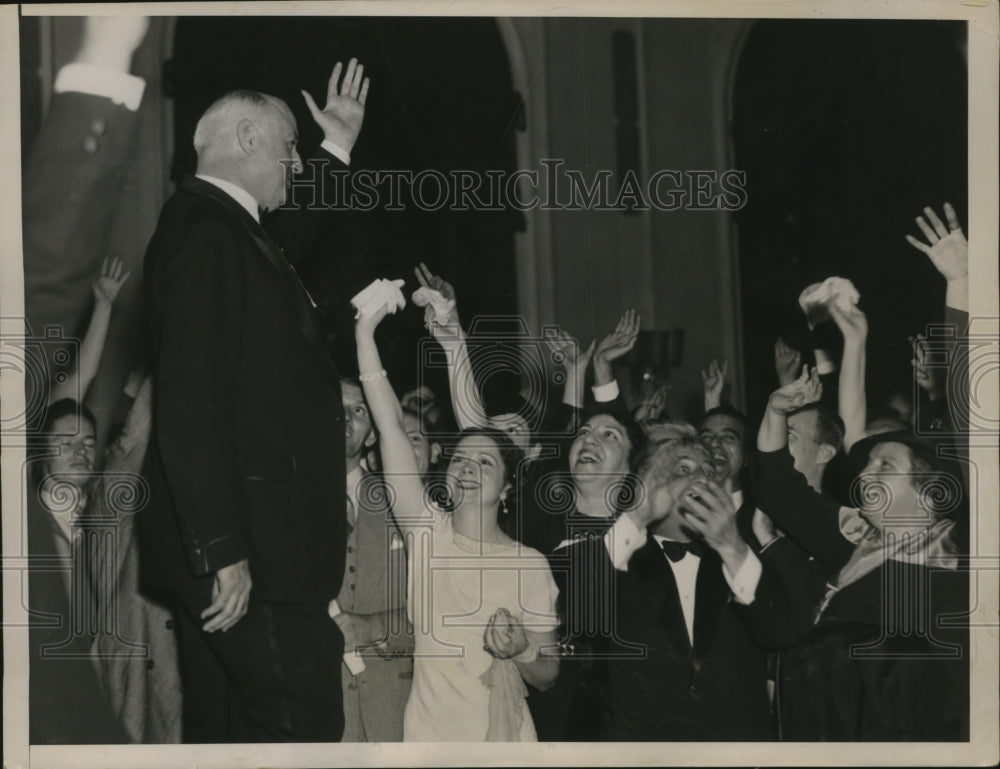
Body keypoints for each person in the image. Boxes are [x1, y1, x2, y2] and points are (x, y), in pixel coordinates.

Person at [139, 60, 370, 742]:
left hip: (246, 548)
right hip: (254, 558)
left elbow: (284, 249)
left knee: (233, 738)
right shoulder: (210, 233)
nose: (296, 164)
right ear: (246, 138)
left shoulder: (216, 229)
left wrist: (339, 147)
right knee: (302, 732)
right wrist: (222, 549)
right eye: (291, 146)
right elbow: (189, 402)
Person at [354, 298, 560, 741]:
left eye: (484, 464)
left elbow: (547, 675)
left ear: (507, 487)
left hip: (505, 741)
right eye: (460, 459)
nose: (467, 467)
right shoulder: (427, 532)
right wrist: (365, 333)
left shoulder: (529, 563)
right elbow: (390, 426)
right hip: (430, 740)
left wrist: (522, 648)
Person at [563, 435, 795, 740]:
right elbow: (577, 611)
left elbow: (780, 633)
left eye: (709, 473)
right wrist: (638, 515)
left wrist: (732, 546)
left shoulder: (743, 560)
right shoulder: (614, 557)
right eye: (682, 469)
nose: (700, 479)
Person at [333, 380, 413, 742]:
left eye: (360, 410)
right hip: (316, 710)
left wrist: (377, 625)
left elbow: (443, 609)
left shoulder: (405, 505)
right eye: (336, 405)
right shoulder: (279, 502)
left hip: (394, 709)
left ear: (371, 437)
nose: (346, 417)